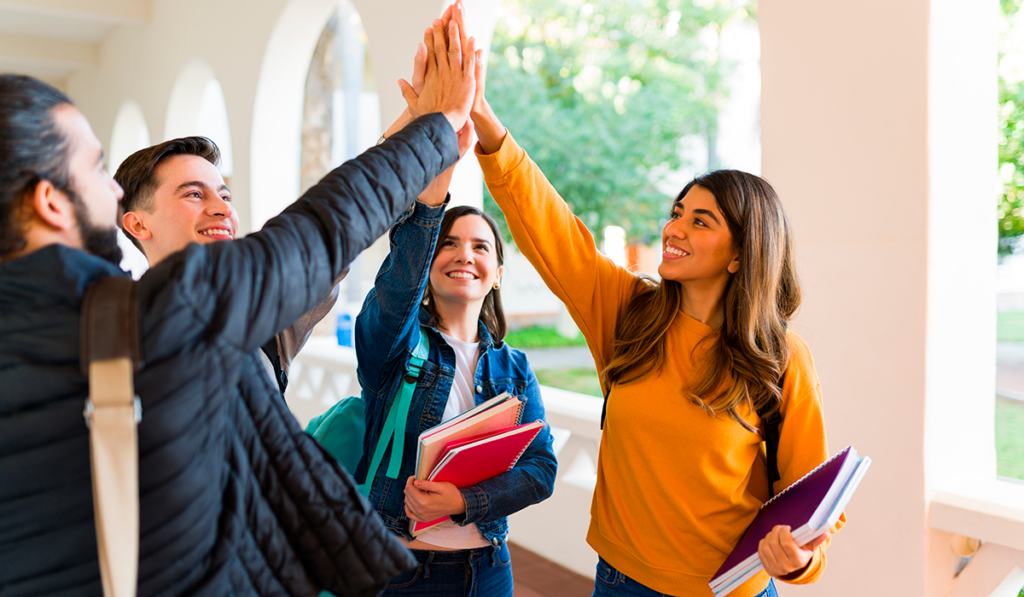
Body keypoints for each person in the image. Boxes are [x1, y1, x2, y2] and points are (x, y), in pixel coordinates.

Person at [0, 16, 475, 596]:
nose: (113, 186)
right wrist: (438, 125)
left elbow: (324, 248)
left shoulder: (219, 326)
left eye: (225, 192)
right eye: (96, 168)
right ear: (52, 202)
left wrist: (421, 139)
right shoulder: (170, 311)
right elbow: (317, 233)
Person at [457, 34, 844, 597]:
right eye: (676, 212)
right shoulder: (629, 312)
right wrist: (489, 129)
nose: (674, 229)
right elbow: (554, 232)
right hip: (621, 582)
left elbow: (807, 509)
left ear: (743, 253)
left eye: (701, 221)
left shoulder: (781, 360)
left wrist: (796, 560)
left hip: (729, 590)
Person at [344, 14, 556, 593]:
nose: (464, 254)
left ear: (496, 273)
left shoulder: (512, 369)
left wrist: (467, 498)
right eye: (449, 243)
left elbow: (542, 469)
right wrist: (435, 186)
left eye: (480, 247)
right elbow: (399, 282)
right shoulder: (396, 341)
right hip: (399, 567)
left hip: (488, 570)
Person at [114, 136, 343, 394]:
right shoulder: (112, 339)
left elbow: (336, 236)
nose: (223, 208)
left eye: (225, 195)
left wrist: (394, 138)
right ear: (138, 225)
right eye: (194, 194)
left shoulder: (261, 316)